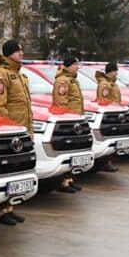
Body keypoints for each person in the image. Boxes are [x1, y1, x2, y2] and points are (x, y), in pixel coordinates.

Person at [0, 39, 31, 225]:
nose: (21, 53)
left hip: (21, 132)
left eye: (21, 50)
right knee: (4, 172)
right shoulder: (1, 74)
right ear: (8, 54)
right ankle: (0, 210)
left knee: (15, 173)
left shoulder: (19, 75)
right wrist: (5, 131)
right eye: (17, 51)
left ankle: (9, 207)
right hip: (9, 133)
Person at [51, 55, 86, 189]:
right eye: (75, 65)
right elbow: (61, 103)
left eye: (78, 65)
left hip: (76, 120)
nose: (77, 67)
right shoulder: (63, 81)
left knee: (74, 151)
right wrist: (65, 123)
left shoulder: (73, 80)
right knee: (67, 151)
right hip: (68, 122)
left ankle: (70, 179)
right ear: (68, 66)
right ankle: (63, 182)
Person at [93, 62, 123, 170]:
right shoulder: (104, 84)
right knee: (107, 140)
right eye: (115, 71)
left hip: (115, 114)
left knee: (112, 140)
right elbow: (103, 100)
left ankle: (108, 161)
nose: (116, 73)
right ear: (111, 71)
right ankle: (105, 163)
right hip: (109, 116)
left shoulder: (112, 83)